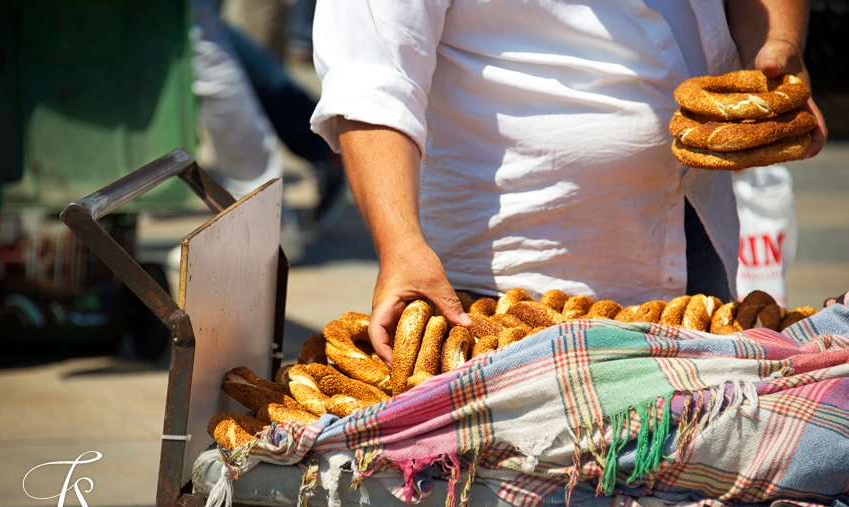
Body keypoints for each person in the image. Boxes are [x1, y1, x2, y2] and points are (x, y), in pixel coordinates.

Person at [309, 0, 827, 362]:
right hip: (503, 280)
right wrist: (400, 244)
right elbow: (373, 79)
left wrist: (779, 44)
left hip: (695, 234)